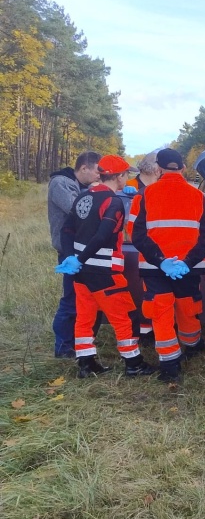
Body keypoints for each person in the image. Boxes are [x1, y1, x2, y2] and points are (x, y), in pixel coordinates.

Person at [54, 155, 156, 378]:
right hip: (105, 272)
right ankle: (134, 364)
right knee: (126, 316)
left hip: (81, 274)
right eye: (126, 175)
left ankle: (86, 364)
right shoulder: (114, 202)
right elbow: (102, 236)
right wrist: (79, 260)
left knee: (85, 317)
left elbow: (66, 230)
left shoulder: (83, 196)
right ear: (119, 176)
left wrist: (73, 258)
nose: (128, 179)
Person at [131, 148, 205, 383]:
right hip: (189, 267)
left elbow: (135, 235)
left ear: (158, 169)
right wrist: (188, 262)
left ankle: (170, 365)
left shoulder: (144, 196)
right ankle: (193, 345)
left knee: (161, 312)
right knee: (188, 307)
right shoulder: (199, 197)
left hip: (154, 267)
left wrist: (160, 260)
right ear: (183, 169)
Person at [47, 151, 102, 358]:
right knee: (71, 299)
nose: (99, 175)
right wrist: (98, 193)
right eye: (97, 171)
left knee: (89, 299)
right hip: (69, 252)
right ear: (84, 168)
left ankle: (82, 342)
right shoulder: (61, 183)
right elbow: (78, 210)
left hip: (85, 251)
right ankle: (63, 347)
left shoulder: (82, 186)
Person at [123, 151, 162, 345]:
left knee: (152, 292)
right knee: (144, 292)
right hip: (135, 245)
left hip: (154, 246)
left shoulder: (159, 187)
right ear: (154, 168)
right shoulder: (129, 187)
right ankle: (146, 331)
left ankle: (152, 328)